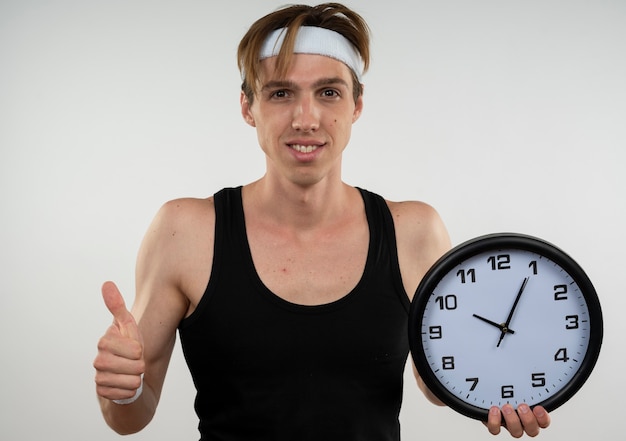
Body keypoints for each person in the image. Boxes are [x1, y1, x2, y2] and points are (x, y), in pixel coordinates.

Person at [93, 3, 551, 439]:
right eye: (280, 93)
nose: (306, 118)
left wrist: (496, 390)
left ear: (356, 106)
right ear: (248, 107)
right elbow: (130, 417)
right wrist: (124, 386)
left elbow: (436, 386)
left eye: (329, 92)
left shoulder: (414, 230)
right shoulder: (185, 231)